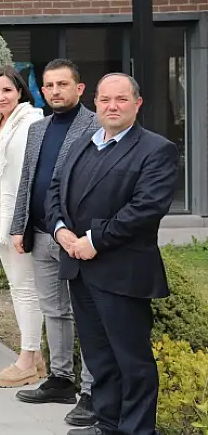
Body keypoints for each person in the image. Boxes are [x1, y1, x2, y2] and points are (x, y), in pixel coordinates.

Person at [47, 73, 176, 435]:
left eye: (121, 99)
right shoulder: (83, 144)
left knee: (131, 361)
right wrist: (60, 230)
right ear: (96, 104)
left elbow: (145, 209)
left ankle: (136, 430)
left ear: (137, 104)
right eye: (105, 100)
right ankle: (107, 424)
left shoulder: (156, 149)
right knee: (99, 357)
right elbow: (55, 189)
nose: (112, 106)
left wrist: (94, 239)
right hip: (80, 269)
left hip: (122, 272)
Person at [12, 60, 98, 427]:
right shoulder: (38, 128)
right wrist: (20, 224)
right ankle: (61, 378)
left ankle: (94, 390)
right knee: (54, 310)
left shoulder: (95, 125)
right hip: (42, 232)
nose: (55, 91)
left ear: (79, 89)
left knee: (87, 313)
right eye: (49, 85)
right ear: (42, 91)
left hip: (77, 237)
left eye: (63, 84)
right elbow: (27, 178)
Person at [0, 65, 46, 387]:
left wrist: (23, 224)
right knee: (21, 288)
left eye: (7, 90)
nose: (0, 97)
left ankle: (28, 359)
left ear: (20, 91)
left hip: (22, 220)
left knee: (26, 289)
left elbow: (33, 177)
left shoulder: (32, 121)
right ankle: (37, 356)